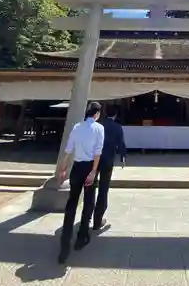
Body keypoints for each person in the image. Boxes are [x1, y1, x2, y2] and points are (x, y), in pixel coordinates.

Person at [58, 101, 104, 264]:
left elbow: (68, 149)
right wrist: (93, 171)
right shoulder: (99, 128)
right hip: (89, 166)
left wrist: (63, 168)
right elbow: (98, 151)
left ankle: (64, 243)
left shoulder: (77, 127)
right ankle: (82, 236)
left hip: (76, 167)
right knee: (88, 202)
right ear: (97, 114)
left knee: (72, 202)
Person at [92, 103, 126, 230]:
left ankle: (88, 216)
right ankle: (98, 219)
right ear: (116, 115)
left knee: (91, 187)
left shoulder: (99, 126)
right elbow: (121, 143)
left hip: (94, 159)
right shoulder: (117, 127)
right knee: (103, 188)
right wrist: (123, 157)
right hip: (108, 161)